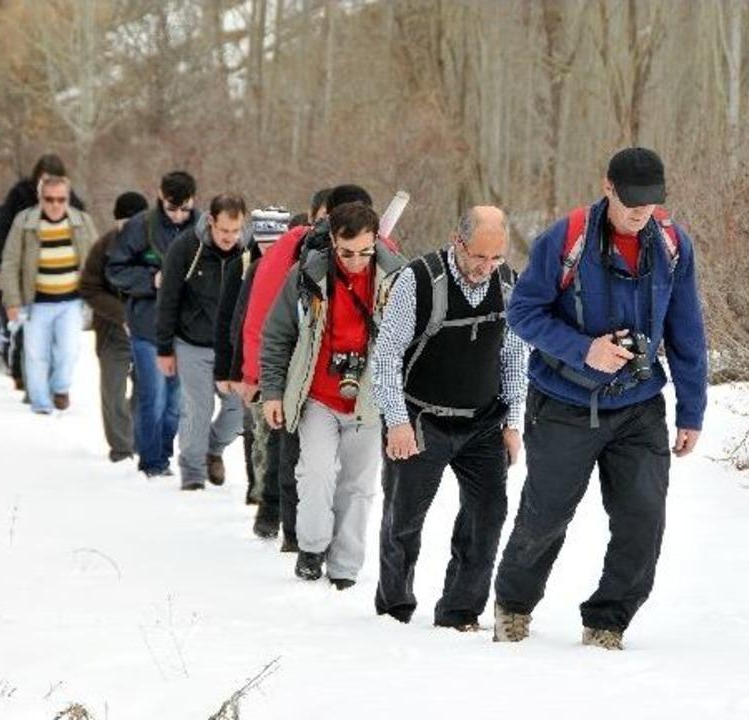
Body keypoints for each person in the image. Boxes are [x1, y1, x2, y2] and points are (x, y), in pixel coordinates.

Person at [492, 147, 708, 649]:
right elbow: (522, 313)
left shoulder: (674, 245)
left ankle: (608, 621)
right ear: (607, 187)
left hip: (639, 405)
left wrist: (691, 410)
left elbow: (687, 331)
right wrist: (584, 348)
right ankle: (514, 605)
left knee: (644, 518)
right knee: (545, 516)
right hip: (564, 405)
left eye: (651, 203)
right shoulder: (565, 240)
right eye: (632, 202)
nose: (641, 213)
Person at [373, 206, 527, 630]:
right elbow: (385, 357)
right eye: (479, 256)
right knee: (403, 520)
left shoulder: (509, 285)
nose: (487, 267)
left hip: (482, 422)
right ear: (456, 242)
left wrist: (513, 423)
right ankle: (394, 608)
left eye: (496, 258)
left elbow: (515, 355)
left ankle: (460, 611)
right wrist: (397, 421)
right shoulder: (418, 282)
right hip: (422, 419)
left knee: (488, 515)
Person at [259, 202, 405, 588]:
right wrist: (273, 392)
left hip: (370, 400)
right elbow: (277, 335)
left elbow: (414, 344)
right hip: (318, 395)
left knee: (358, 486)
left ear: (377, 242)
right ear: (332, 242)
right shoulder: (307, 276)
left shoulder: (399, 279)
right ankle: (311, 546)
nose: (355, 261)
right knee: (316, 473)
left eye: (364, 252)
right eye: (346, 252)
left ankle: (345, 566)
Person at [105, 171, 200, 478]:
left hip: (186, 329)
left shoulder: (202, 228)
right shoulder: (140, 226)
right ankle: (152, 462)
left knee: (176, 402)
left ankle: (163, 453)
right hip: (147, 325)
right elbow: (115, 269)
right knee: (153, 396)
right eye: (172, 209)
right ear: (160, 196)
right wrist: (151, 280)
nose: (178, 216)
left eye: (184, 209)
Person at [155, 193, 248, 491]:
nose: (229, 237)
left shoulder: (248, 252)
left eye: (236, 231)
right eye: (224, 231)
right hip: (192, 342)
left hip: (232, 349)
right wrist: (164, 348)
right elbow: (168, 298)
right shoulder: (185, 248)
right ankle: (193, 472)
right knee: (198, 407)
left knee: (237, 411)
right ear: (211, 222)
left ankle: (212, 451)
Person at [213, 206, 292, 531]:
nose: (268, 247)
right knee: (255, 430)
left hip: (275, 362)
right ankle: (257, 488)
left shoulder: (291, 269)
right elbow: (235, 322)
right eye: (262, 240)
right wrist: (231, 370)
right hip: (251, 363)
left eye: (275, 240)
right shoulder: (246, 266)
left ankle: (269, 496)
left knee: (269, 434)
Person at [0, 154, 86, 393]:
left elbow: (83, 233)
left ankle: (54, 383)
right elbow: (1, 233)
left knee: (61, 341)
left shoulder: (72, 201)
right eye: (44, 179)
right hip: (25, 272)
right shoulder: (19, 196)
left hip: (61, 277)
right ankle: (24, 377)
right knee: (26, 330)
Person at [0, 175, 98, 415]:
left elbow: (96, 258)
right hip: (37, 303)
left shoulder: (82, 222)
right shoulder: (24, 222)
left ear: (68, 198)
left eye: (61, 199)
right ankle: (41, 403)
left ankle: (60, 388)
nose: (55, 204)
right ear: (40, 198)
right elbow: (10, 262)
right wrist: (12, 301)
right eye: (49, 199)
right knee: (35, 355)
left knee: (68, 351)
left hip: (71, 301)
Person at [80, 191, 149, 463]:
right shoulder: (103, 247)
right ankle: (121, 450)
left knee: (147, 390)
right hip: (112, 331)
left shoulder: (159, 246)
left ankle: (136, 440)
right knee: (113, 390)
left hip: (148, 333)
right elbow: (88, 288)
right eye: (124, 224)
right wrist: (122, 314)